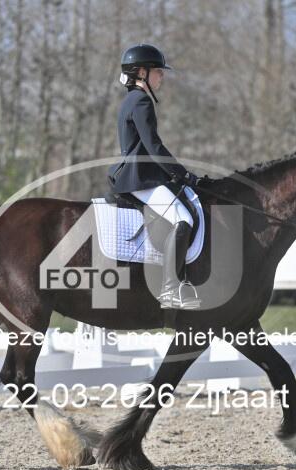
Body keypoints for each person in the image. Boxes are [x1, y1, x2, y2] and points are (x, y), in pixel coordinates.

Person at [107, 43, 201, 309]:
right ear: (142, 73)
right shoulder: (141, 101)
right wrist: (183, 174)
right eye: (158, 71)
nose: (162, 76)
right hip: (139, 178)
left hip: (138, 174)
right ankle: (170, 289)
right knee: (183, 219)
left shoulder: (130, 100)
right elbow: (153, 146)